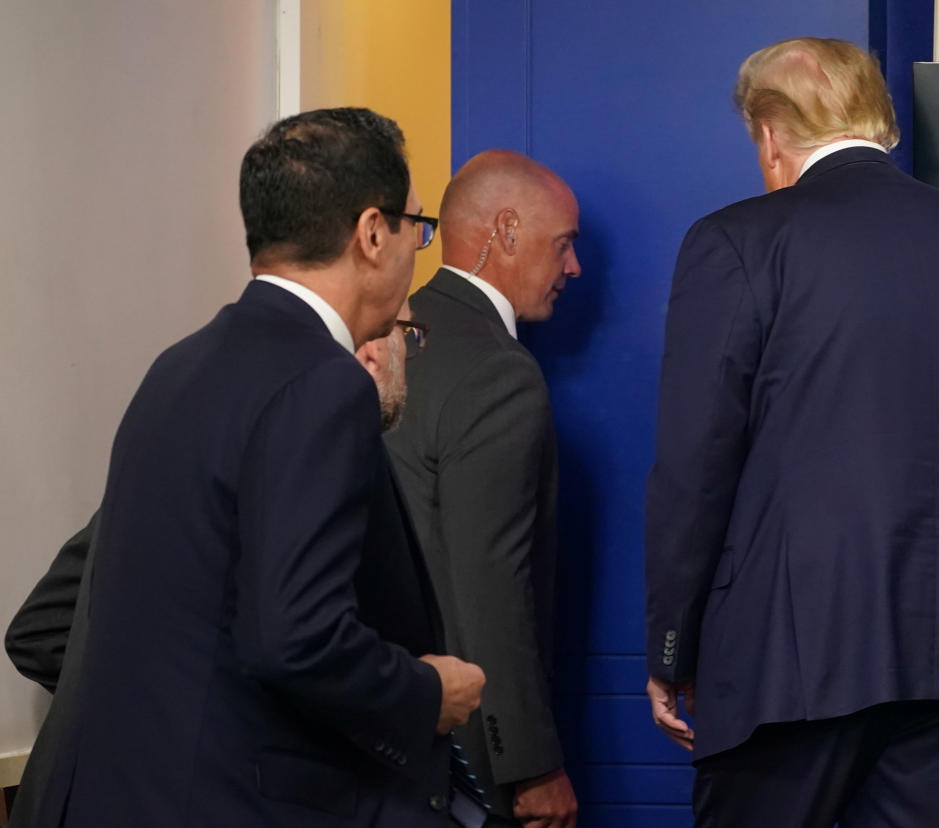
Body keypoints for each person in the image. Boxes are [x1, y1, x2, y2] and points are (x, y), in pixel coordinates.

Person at [644, 38, 939, 828]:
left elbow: (695, 467)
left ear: (769, 136)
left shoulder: (739, 242)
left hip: (791, 662)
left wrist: (673, 647)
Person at [8, 107, 485, 828]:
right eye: (419, 228)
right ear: (371, 233)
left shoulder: (180, 367)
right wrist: (426, 692)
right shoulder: (324, 384)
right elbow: (296, 636)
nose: (416, 250)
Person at [4, 305, 424, 694]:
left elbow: (40, 630)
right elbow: (39, 632)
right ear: (369, 350)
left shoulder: (190, 457)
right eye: (406, 333)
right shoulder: (303, 479)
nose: (409, 353)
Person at [385, 149, 581, 827]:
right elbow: (491, 583)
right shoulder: (501, 374)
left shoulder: (383, 337)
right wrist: (530, 766)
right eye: (564, 245)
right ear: (504, 231)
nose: (574, 268)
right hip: (469, 760)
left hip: (381, 733)